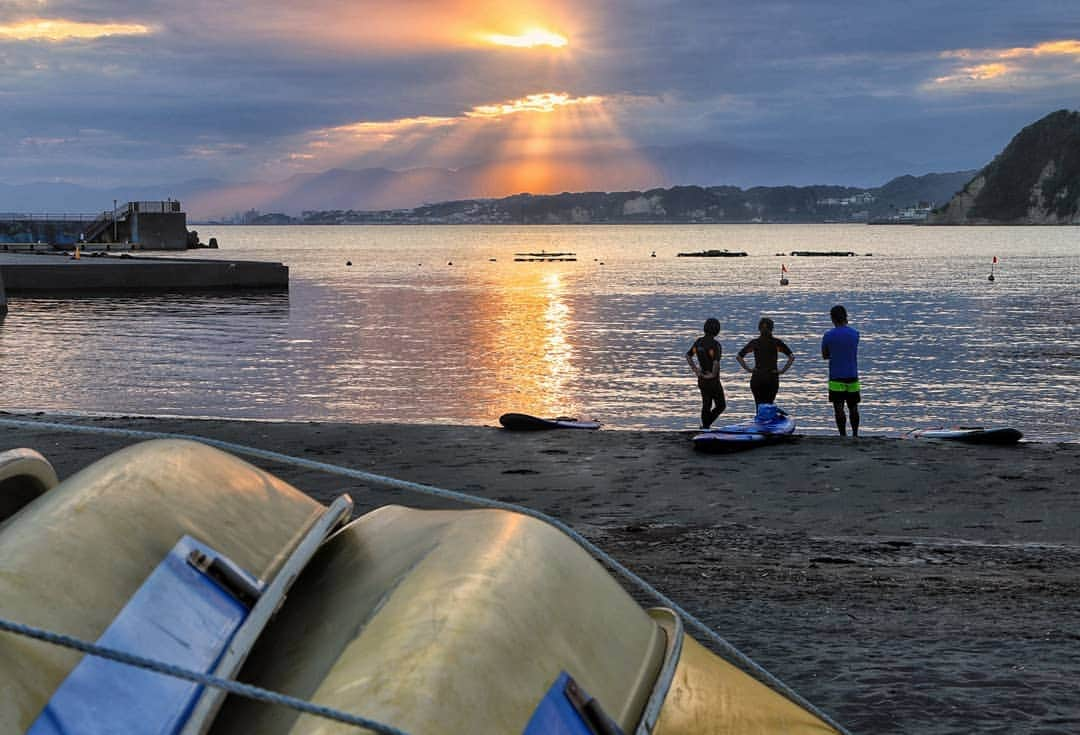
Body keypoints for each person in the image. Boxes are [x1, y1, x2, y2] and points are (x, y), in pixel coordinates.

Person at [821, 304, 860, 437]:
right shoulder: (855, 334)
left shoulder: (828, 335)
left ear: (832, 318)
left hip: (836, 376)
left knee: (839, 408)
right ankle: (855, 434)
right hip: (852, 374)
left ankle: (842, 435)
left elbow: (825, 355)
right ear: (845, 317)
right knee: (853, 407)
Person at [736, 317, 794, 406]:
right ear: (772, 329)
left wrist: (749, 369)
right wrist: (782, 371)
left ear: (759, 329)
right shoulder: (776, 343)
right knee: (769, 405)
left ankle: (759, 418)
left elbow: (739, 357)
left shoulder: (755, 343)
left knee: (758, 405)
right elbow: (791, 357)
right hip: (771, 377)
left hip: (757, 376)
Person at [686, 318, 726, 428]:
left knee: (706, 404)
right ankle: (706, 425)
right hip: (712, 380)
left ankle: (705, 427)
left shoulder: (699, 342)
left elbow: (688, 355)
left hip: (702, 378)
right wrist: (713, 374)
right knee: (721, 405)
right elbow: (716, 362)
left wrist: (696, 370)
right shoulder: (715, 344)